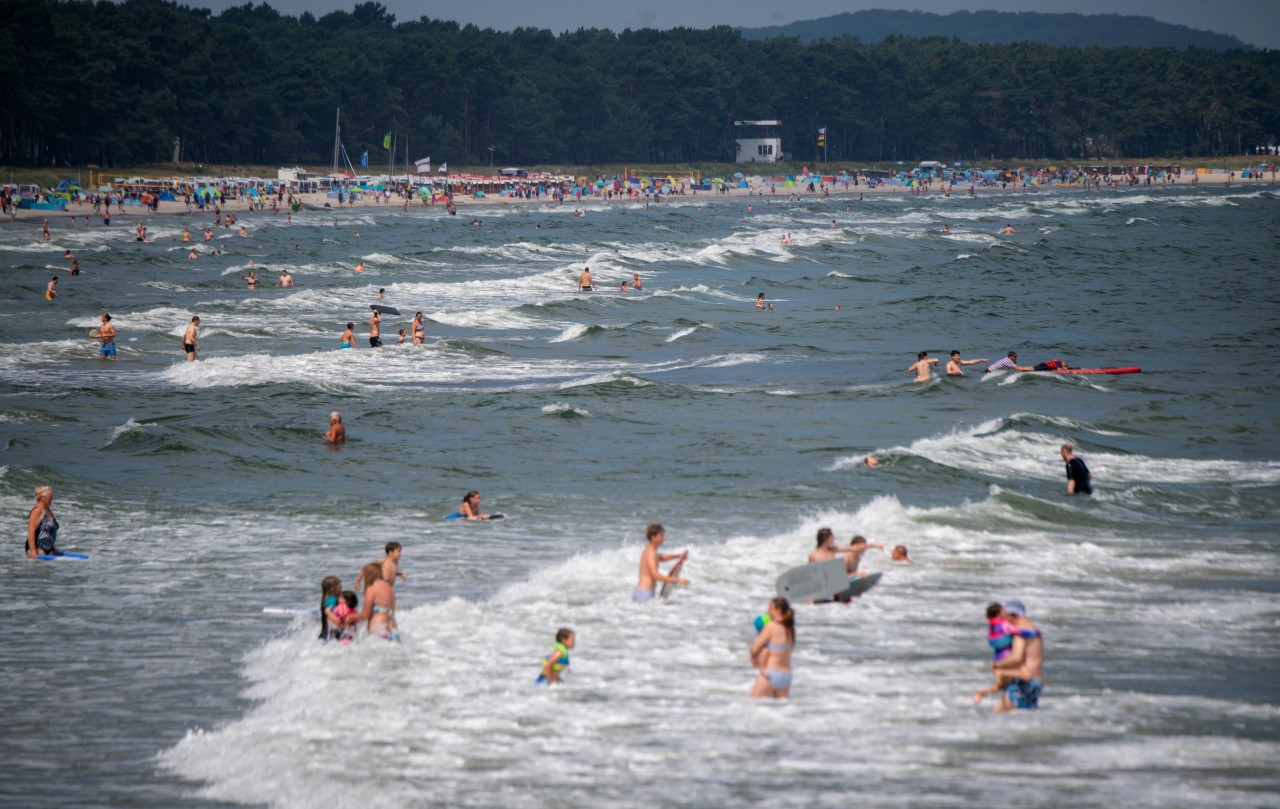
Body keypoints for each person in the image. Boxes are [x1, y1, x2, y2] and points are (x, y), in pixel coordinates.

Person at [975, 600, 1044, 711]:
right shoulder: (1032, 627)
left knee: (996, 717)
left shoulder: (1020, 631)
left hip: (1024, 683)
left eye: (1005, 615)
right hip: (1034, 683)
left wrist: (997, 665)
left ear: (1012, 614)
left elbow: (1016, 658)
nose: (1003, 619)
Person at [750, 597, 795, 698]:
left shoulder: (771, 626)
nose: (768, 612)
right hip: (786, 676)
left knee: (754, 709)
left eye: (770, 609)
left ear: (778, 611)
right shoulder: (790, 629)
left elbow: (754, 648)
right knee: (781, 712)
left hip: (770, 674)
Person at [634, 523, 688, 602]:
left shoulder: (649, 551)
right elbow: (655, 575)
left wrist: (678, 556)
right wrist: (677, 580)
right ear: (653, 537)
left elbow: (661, 558)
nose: (664, 538)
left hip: (642, 592)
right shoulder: (651, 553)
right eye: (661, 536)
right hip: (644, 593)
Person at [346, 563, 399, 641]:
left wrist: (350, 618)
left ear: (369, 576)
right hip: (393, 629)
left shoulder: (372, 589)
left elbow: (365, 615)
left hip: (379, 629)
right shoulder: (389, 588)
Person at [26, 485, 59, 558]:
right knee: (39, 569)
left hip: (48, 548)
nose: (52, 499)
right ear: (43, 498)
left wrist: (52, 547)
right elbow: (31, 531)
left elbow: (48, 532)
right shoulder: (37, 511)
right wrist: (33, 551)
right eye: (50, 497)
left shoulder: (47, 510)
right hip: (38, 548)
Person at [319, 576, 343, 642]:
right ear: (332, 588)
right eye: (339, 585)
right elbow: (331, 617)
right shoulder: (332, 600)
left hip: (326, 633)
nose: (341, 587)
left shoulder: (326, 599)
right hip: (332, 634)